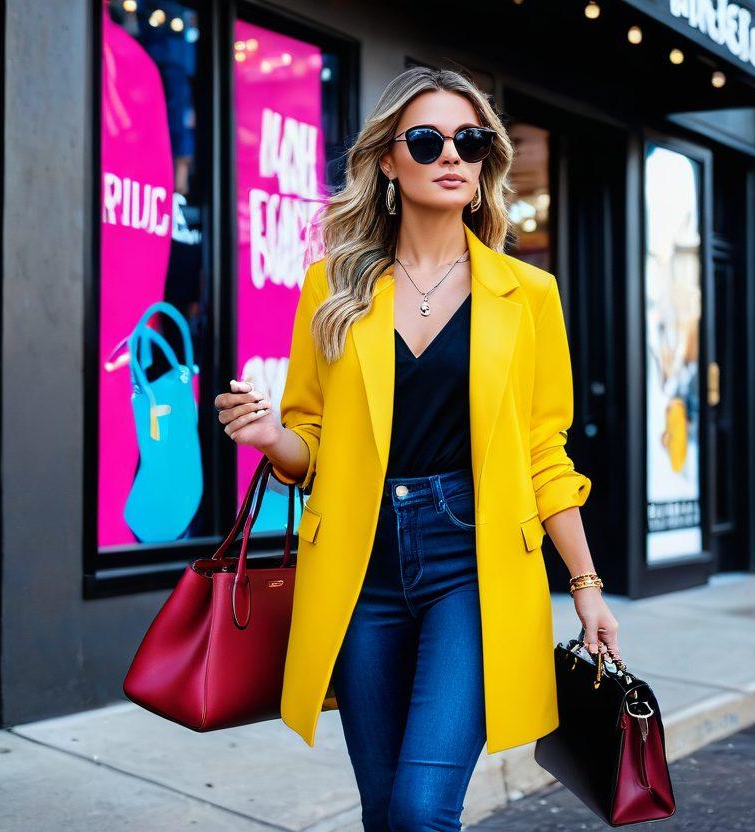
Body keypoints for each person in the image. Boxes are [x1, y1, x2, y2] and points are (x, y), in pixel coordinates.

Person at [213, 66, 620, 832]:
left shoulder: (527, 296)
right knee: (383, 812)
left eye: (469, 141)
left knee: (421, 808)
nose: (452, 156)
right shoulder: (333, 286)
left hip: (475, 559)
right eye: (428, 139)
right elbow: (312, 447)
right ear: (388, 162)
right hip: (361, 563)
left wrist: (586, 584)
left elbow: (545, 450)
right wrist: (273, 438)